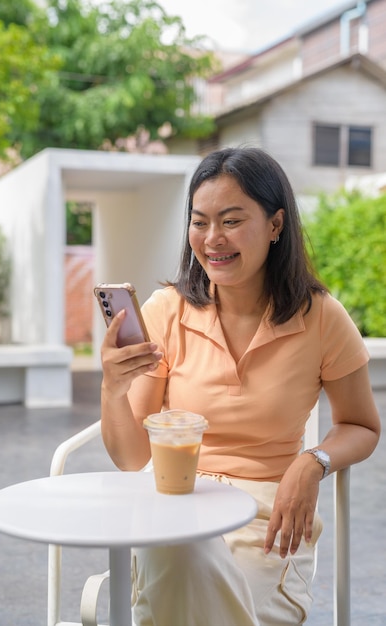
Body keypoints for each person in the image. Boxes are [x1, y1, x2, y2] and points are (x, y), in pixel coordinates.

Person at [100, 147, 380, 626]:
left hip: (267, 517)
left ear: (276, 225)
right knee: (182, 547)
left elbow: (360, 426)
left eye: (231, 220)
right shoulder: (168, 311)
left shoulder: (322, 318)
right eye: (200, 221)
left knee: (186, 583)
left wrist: (312, 463)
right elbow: (133, 459)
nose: (212, 239)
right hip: (176, 498)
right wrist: (112, 388)